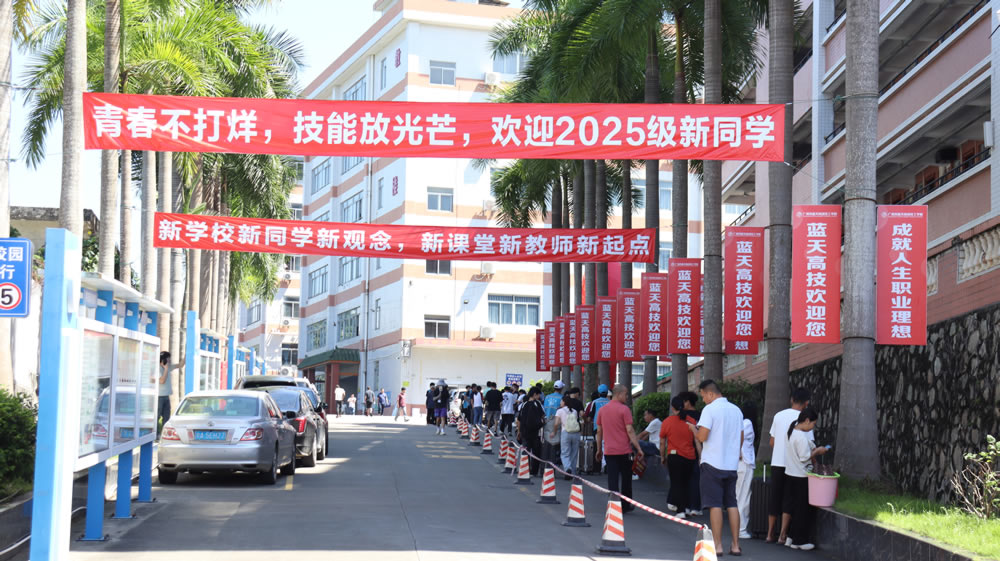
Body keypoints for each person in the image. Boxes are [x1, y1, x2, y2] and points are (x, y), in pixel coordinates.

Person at [692, 380, 745, 556]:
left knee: (715, 504)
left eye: (703, 396)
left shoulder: (710, 410)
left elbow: (702, 436)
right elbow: (741, 437)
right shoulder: (736, 410)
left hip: (712, 463)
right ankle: (735, 545)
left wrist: (694, 430)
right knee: (732, 503)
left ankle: (718, 545)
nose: (703, 400)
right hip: (731, 465)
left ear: (710, 393)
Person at [766, 388, 813, 545]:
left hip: (777, 462)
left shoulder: (778, 415)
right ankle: (783, 535)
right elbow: (809, 446)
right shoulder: (805, 419)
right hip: (793, 466)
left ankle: (770, 534)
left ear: (792, 399)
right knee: (789, 499)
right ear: (806, 403)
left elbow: (772, 442)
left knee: (775, 497)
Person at [784, 407, 827, 550]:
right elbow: (804, 457)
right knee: (802, 509)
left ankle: (791, 537)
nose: (813, 427)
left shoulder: (792, 431)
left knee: (795, 508)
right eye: (813, 424)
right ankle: (799, 541)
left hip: (790, 474)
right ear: (807, 420)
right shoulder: (801, 437)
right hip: (801, 476)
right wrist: (817, 451)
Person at [596, 384, 644, 512]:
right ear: (619, 394)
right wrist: (638, 448)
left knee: (612, 478)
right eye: (626, 394)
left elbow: (599, 432)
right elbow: (630, 430)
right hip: (624, 451)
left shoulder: (602, 410)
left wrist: (599, 449)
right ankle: (626, 505)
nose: (627, 397)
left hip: (609, 451)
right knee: (626, 478)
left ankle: (614, 504)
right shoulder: (624, 409)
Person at [660, 396, 700, 519]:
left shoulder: (667, 422)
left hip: (674, 456)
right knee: (687, 482)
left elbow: (662, 442)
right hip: (690, 456)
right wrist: (700, 456)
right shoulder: (691, 421)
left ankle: (681, 510)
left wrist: (662, 456)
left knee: (676, 483)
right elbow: (697, 440)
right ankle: (687, 507)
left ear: (673, 408)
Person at [736, 401, 758, 539]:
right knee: (743, 497)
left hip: (740, 463)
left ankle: (738, 527)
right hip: (745, 462)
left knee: (739, 496)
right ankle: (741, 529)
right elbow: (739, 436)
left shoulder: (741, 422)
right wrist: (738, 451)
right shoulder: (748, 423)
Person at [680, 391, 704, 516]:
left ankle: (685, 507)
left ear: (687, 402)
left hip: (682, 451)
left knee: (683, 480)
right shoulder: (701, 415)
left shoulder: (681, 416)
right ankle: (696, 507)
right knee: (695, 480)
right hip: (697, 450)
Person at [552, 390, 583, 480]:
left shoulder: (560, 411)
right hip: (576, 433)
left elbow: (556, 423)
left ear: (564, 402)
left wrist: (554, 432)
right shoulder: (574, 411)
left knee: (565, 453)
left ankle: (567, 469)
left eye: (561, 401)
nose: (560, 403)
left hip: (566, 432)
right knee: (574, 454)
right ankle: (573, 473)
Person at [517, 387, 546, 476]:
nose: (539, 396)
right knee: (536, 452)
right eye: (538, 394)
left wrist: (519, 431)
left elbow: (519, 419)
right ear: (534, 394)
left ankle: (525, 469)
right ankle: (534, 471)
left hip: (525, 431)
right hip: (536, 432)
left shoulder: (524, 404)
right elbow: (543, 416)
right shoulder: (538, 404)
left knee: (526, 451)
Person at [157, 352, 178, 437]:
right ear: (163, 359)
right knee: (157, 416)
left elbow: (180, 365)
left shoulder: (168, 367)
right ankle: (156, 434)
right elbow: (162, 381)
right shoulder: (157, 369)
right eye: (168, 359)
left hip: (166, 396)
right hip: (159, 397)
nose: (169, 360)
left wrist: (186, 355)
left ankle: (163, 434)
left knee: (166, 417)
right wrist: (165, 369)